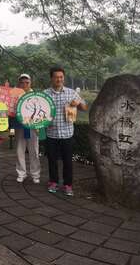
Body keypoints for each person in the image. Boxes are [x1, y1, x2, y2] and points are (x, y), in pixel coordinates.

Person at [44, 66, 88, 196]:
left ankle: (68, 185)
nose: (59, 79)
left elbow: (85, 108)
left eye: (61, 77)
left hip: (67, 133)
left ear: (64, 78)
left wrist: (78, 104)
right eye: (56, 77)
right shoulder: (45, 94)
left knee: (68, 161)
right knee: (52, 160)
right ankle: (53, 182)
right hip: (51, 133)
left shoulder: (71, 92)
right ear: (51, 78)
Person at [15, 74, 40, 184]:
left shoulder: (37, 96)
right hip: (20, 126)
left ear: (31, 83)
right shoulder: (15, 95)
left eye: (27, 82)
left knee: (34, 150)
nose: (24, 84)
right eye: (22, 82)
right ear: (19, 83)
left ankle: (35, 174)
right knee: (19, 150)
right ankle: (21, 173)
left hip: (33, 127)